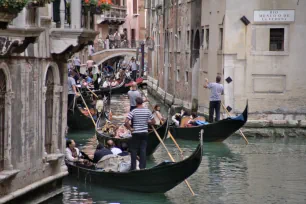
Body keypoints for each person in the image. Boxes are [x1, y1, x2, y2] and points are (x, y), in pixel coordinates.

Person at [125, 97, 156, 170]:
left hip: (136, 133)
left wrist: (130, 129)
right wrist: (148, 122)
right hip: (145, 133)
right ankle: (142, 167)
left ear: (136, 103)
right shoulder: (148, 111)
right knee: (143, 150)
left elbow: (126, 122)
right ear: (142, 102)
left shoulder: (134, 111)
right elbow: (154, 122)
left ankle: (133, 168)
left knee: (134, 150)